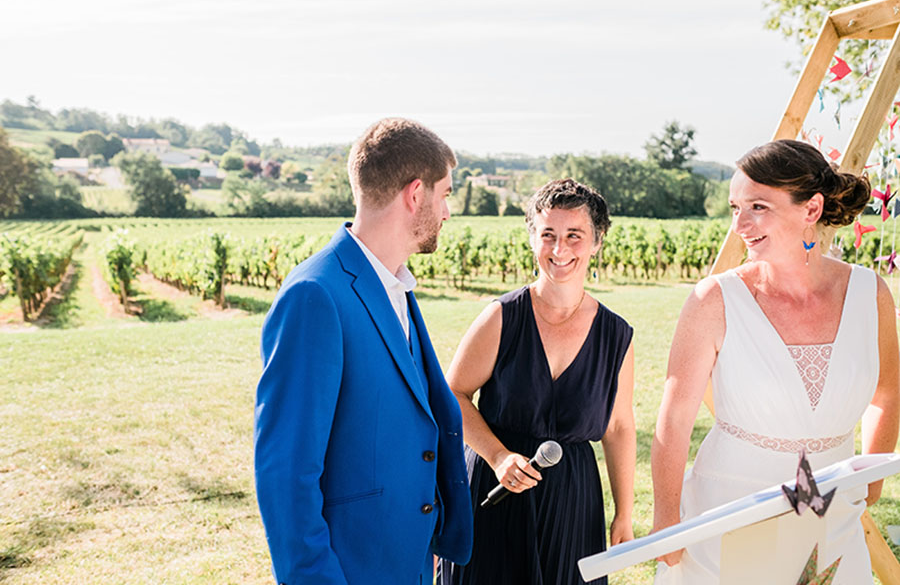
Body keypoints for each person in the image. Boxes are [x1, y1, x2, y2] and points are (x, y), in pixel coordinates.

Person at [652, 139, 900, 584]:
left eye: (758, 207)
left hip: (835, 513)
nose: (740, 224)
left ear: (811, 209)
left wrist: (872, 475)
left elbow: (887, 390)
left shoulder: (871, 293)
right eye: (735, 208)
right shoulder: (714, 299)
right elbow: (673, 420)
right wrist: (667, 519)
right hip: (728, 518)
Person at [254, 117, 473, 585]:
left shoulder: (394, 286)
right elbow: (286, 475)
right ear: (416, 194)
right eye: (446, 194)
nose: (448, 211)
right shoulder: (315, 295)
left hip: (408, 564)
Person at [437, 179, 636, 585]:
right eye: (548, 235)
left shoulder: (616, 335)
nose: (559, 250)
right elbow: (451, 395)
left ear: (596, 242)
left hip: (573, 504)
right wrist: (497, 457)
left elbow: (618, 428)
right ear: (532, 239)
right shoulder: (501, 317)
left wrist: (625, 514)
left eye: (573, 236)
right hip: (495, 493)